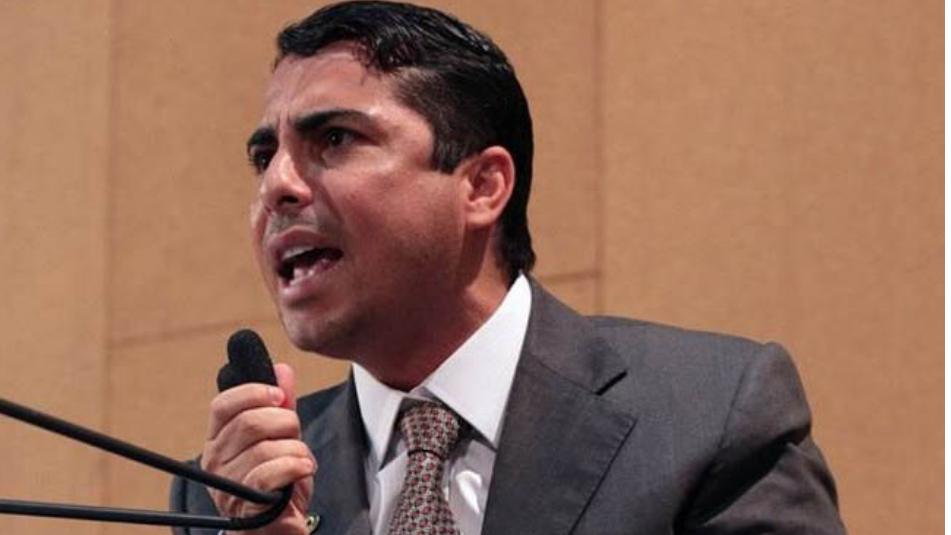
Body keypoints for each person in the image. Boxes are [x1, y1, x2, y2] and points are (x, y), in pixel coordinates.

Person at [170, 2, 846, 534]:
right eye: (264, 157)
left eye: (335, 138)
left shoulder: (708, 416)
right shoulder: (228, 491)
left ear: (482, 186)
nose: (278, 186)